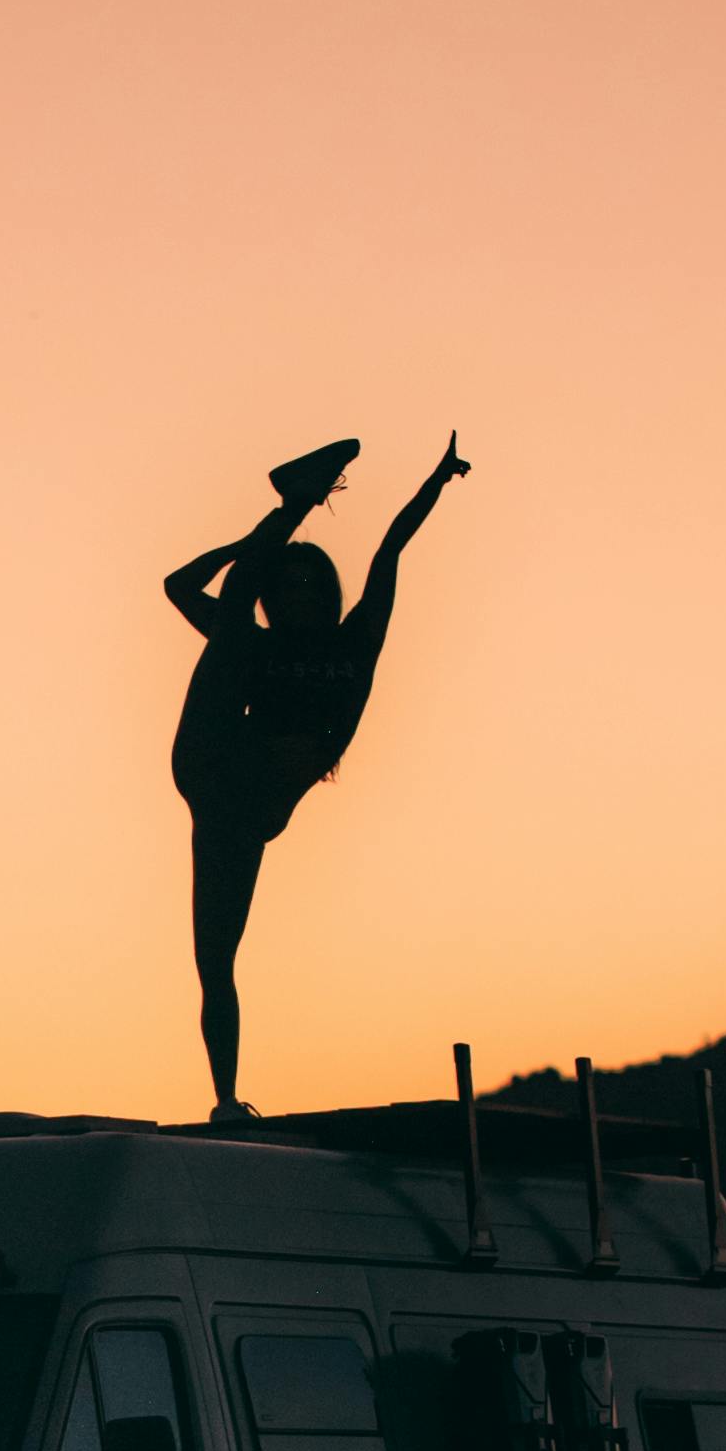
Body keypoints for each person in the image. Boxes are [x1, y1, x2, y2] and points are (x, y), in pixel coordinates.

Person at [166, 433, 471, 1126]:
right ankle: (295, 502)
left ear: (329, 593)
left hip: (255, 807)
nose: (300, 596)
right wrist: (250, 546)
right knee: (232, 628)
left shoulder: (355, 639)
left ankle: (223, 1099)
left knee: (217, 960)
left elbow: (389, 551)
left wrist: (435, 484)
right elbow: (178, 586)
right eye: (288, 585)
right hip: (217, 761)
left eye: (310, 585)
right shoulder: (261, 640)